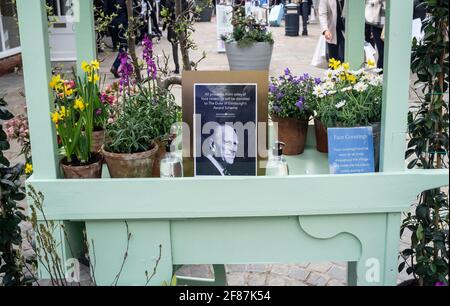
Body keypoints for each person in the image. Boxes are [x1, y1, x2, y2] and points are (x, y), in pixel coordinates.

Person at [105, 0, 129, 78]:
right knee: (124, 47)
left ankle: (122, 68)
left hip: (112, 23)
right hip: (121, 23)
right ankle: (116, 66)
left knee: (121, 47)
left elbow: (106, 10)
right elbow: (127, 9)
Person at [365, 0, 385, 69]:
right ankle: (380, 76)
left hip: (391, 26)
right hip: (377, 26)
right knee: (382, 53)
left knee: (388, 53)